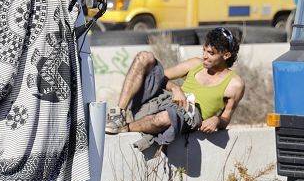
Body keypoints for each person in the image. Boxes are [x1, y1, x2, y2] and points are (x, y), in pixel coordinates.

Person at [105, 27, 246, 147]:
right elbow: (159, 78)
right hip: (165, 101)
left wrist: (216, 120)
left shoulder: (234, 84)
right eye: (204, 50)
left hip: (188, 115)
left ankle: (126, 128)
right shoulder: (195, 64)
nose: (204, 56)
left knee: (166, 118)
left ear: (226, 55)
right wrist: (175, 89)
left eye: (211, 53)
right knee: (145, 57)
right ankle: (118, 114)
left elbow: (226, 118)